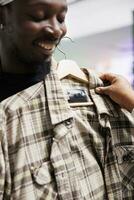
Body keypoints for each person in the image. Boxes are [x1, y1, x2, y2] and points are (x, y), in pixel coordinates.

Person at [0, 0, 134, 199]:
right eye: (38, 16)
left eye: (61, 18)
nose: (56, 30)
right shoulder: (8, 116)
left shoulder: (110, 97)